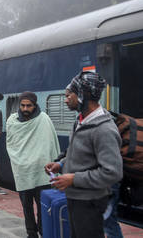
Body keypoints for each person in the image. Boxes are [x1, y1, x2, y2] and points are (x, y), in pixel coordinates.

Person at [45, 71, 123, 238]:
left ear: (82, 95)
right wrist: (61, 164)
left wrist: (73, 179)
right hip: (76, 198)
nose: (66, 99)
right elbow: (80, 154)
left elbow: (112, 172)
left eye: (69, 95)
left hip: (90, 202)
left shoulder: (104, 129)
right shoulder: (81, 121)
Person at [6, 91, 60, 238]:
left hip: (41, 172)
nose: (25, 108)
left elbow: (52, 144)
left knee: (43, 207)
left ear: (35, 105)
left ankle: (44, 232)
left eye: (28, 106)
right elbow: (10, 145)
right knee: (26, 207)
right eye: (22, 105)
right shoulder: (12, 121)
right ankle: (31, 234)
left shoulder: (44, 119)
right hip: (23, 171)